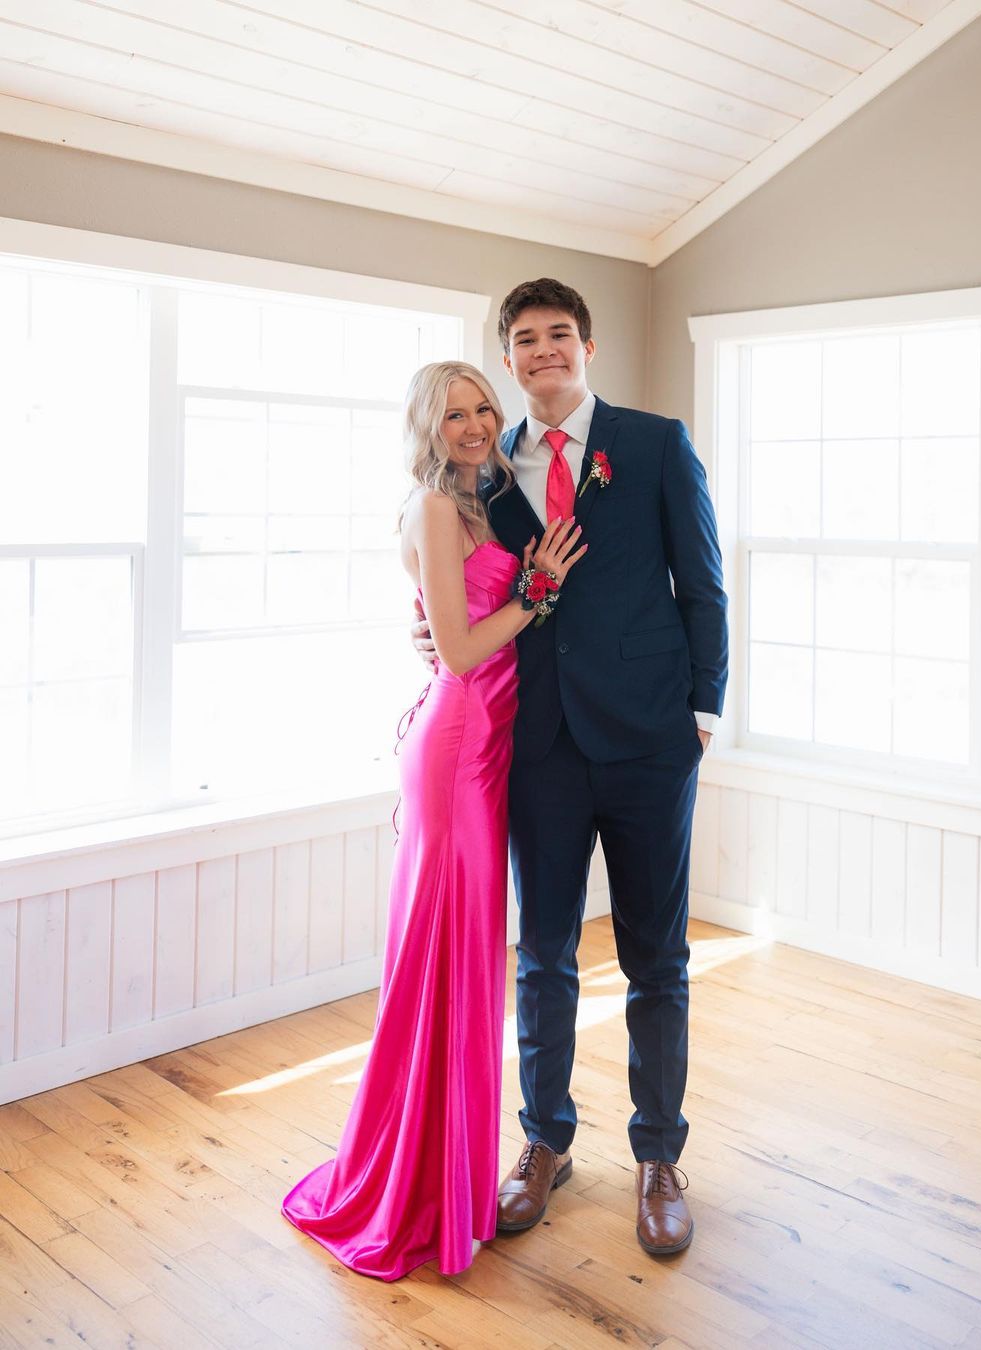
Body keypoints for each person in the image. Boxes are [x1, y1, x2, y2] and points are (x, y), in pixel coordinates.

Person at [413, 279, 728, 1256]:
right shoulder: (484, 465)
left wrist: (702, 715)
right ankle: (544, 1141)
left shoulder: (656, 443)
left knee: (656, 960)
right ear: (508, 358)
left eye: (559, 334)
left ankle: (659, 1156)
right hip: (537, 745)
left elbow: (703, 584)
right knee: (543, 954)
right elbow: (460, 582)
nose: (542, 349)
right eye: (524, 338)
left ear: (587, 346)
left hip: (650, 744)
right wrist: (427, 631)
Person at [282, 361, 585, 1281]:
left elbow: (449, 624)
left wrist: (520, 592)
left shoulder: (482, 503)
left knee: (462, 961)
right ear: (427, 425)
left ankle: (442, 1172)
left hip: (484, 748)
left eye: (484, 407)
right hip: (458, 751)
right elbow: (456, 651)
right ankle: (413, 1185)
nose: (477, 423)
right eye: (455, 414)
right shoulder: (433, 507)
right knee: (444, 962)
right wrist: (537, 590)